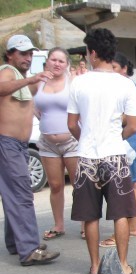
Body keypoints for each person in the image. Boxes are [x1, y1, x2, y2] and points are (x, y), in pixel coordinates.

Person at [67, 28, 136, 274]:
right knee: (120, 214)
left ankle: (95, 266)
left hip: (86, 157)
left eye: (87, 52)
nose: (86, 57)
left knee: (90, 216)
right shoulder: (125, 84)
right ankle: (122, 265)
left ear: (93, 53)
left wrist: (86, 139)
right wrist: (115, 139)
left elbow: (71, 124)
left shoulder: (79, 82)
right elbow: (133, 125)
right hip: (115, 157)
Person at [0, 34, 60, 266]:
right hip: (7, 143)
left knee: (13, 195)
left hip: (17, 145)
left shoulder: (21, 76)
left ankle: (17, 243)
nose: (27, 57)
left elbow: (34, 91)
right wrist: (30, 79)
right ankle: (29, 250)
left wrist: (53, 72)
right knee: (22, 195)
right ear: (10, 54)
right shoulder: (6, 70)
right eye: (22, 53)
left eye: (29, 54)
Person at [99, 52, 136, 248]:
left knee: (129, 186)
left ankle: (128, 229)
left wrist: (118, 121)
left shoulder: (130, 86)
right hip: (130, 139)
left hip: (132, 139)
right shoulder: (115, 87)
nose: (110, 72)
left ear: (124, 69)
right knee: (133, 185)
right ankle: (133, 227)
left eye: (114, 68)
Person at [34, 47, 81, 241]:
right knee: (55, 185)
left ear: (67, 64)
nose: (57, 64)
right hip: (47, 143)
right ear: (47, 61)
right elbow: (35, 108)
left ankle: (86, 225)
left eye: (61, 61)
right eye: (53, 60)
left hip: (71, 142)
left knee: (79, 185)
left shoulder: (73, 82)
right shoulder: (39, 82)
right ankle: (58, 225)